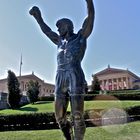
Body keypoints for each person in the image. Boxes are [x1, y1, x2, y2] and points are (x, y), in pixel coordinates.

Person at [29, 0, 95, 139]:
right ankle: (68, 136)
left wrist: (89, 1)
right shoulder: (59, 41)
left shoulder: (80, 37)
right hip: (60, 77)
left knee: (77, 115)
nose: (57, 29)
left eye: (59, 26)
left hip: (74, 74)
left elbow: (90, 16)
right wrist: (38, 17)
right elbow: (47, 31)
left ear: (68, 26)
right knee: (59, 116)